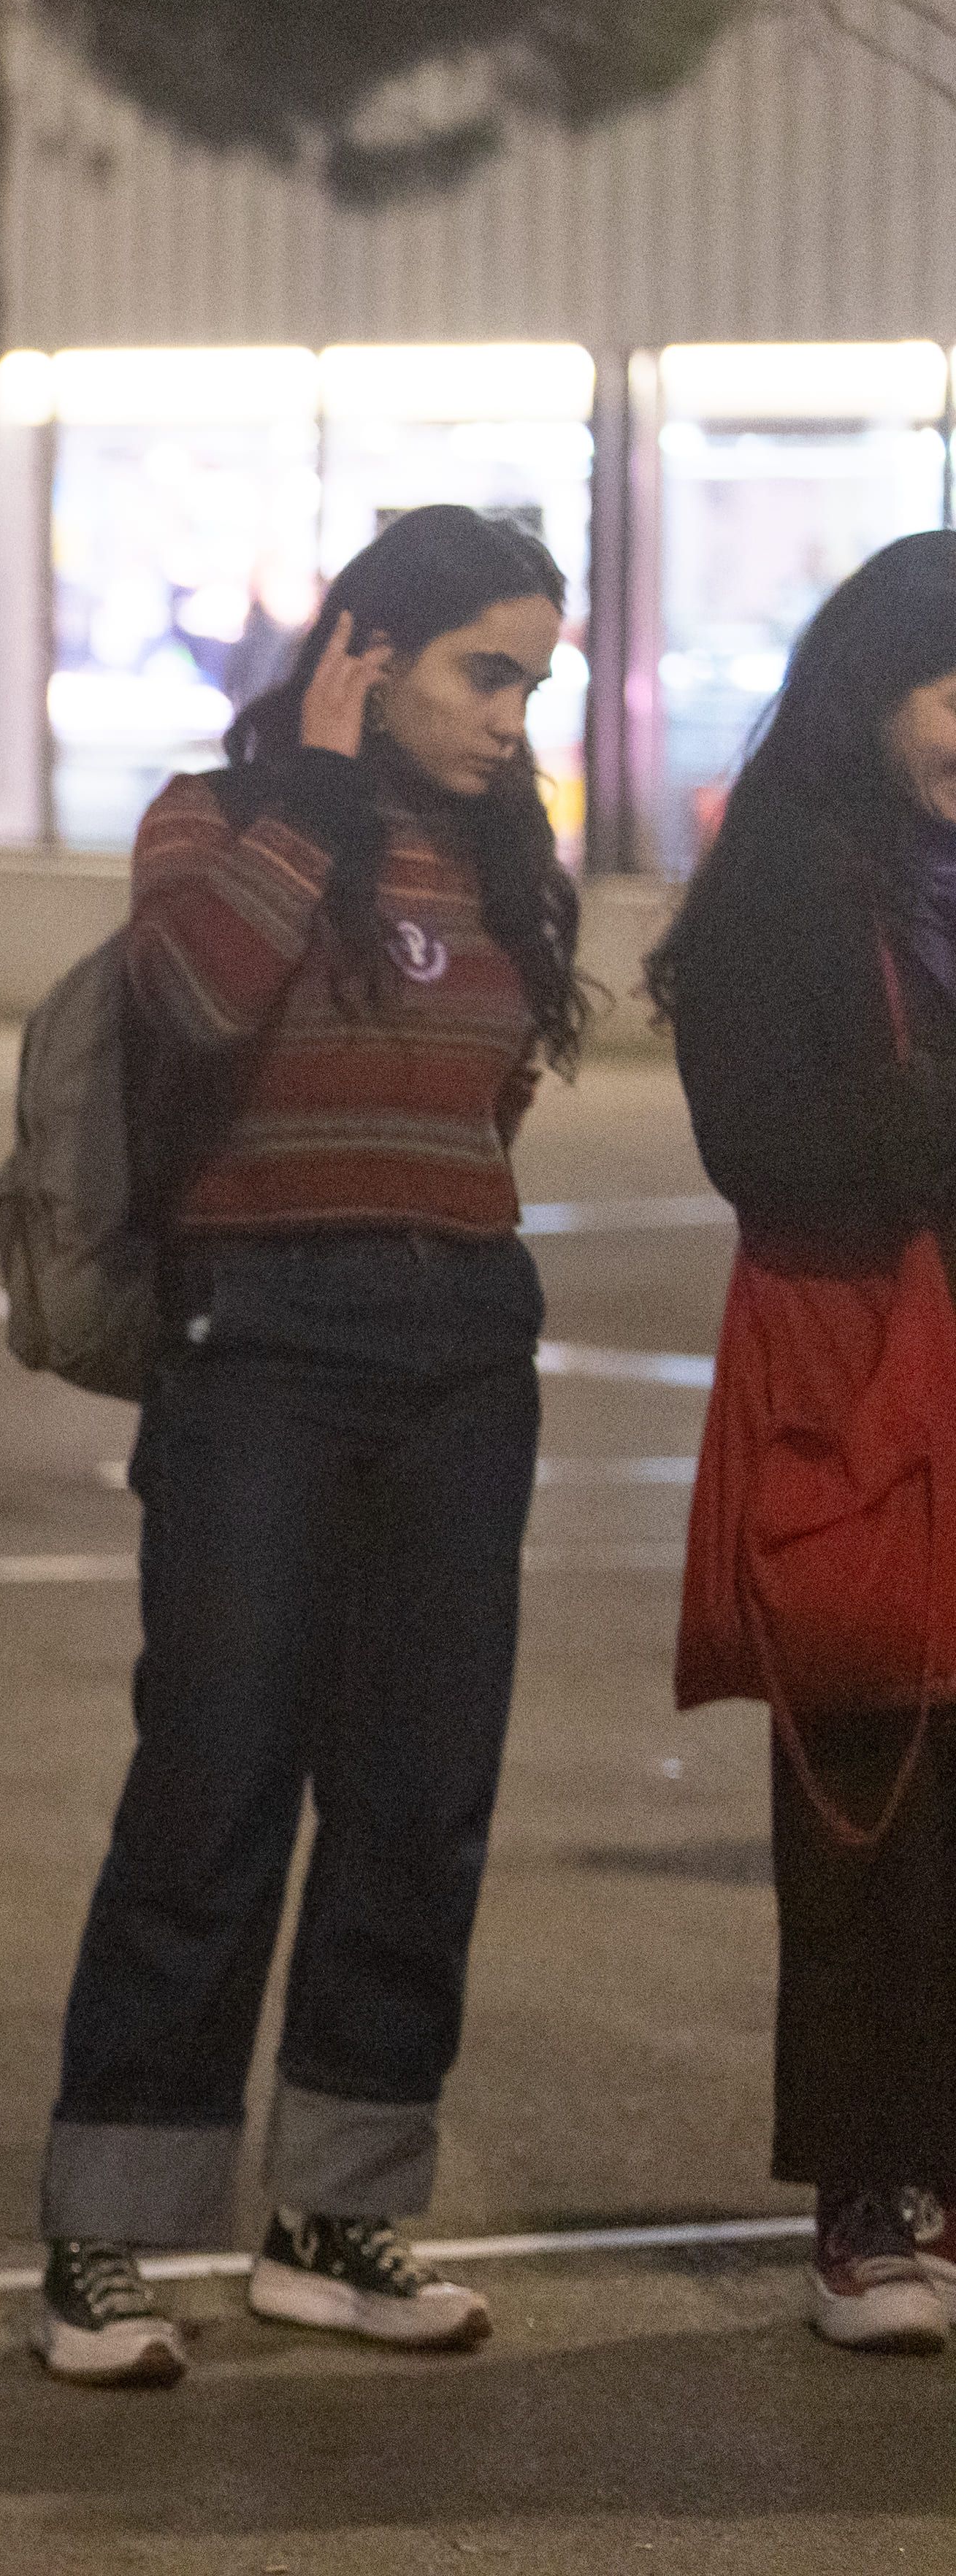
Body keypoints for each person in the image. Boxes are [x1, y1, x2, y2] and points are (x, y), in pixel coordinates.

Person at [29, 505, 584, 2385]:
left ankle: (339, 2213)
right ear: (364, 653)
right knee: (215, 1772)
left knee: (421, 1788)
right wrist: (329, 789)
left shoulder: (509, 854)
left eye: (533, 678)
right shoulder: (221, 811)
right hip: (259, 1344)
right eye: (482, 669)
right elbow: (192, 995)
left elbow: (489, 1095)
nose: (513, 713)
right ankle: (109, 2229)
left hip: (459, 1346)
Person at [646, 529, 956, 2352]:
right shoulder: (788, 876)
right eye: (950, 689)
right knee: (878, 1783)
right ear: (872, 692)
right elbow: (780, 1146)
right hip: (861, 1383)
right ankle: (874, 2189)